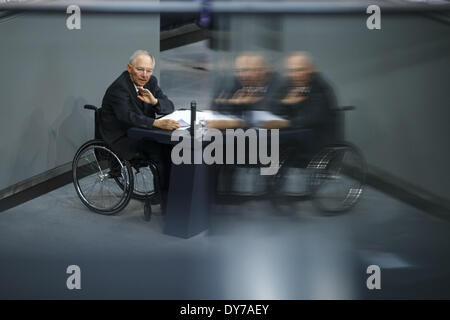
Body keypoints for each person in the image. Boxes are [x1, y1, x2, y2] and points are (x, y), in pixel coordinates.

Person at [100, 50, 179, 204]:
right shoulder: (119, 88)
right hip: (121, 136)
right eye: (140, 69)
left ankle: (169, 194)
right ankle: (163, 199)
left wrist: (155, 101)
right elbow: (127, 116)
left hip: (141, 131)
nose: (144, 75)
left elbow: (169, 107)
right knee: (159, 152)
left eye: (148, 71)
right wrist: (155, 123)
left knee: (172, 148)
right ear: (129, 68)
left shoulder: (151, 82)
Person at [273, 51, 337, 164]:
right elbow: (275, 107)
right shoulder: (288, 84)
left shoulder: (320, 87)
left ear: (311, 69)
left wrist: (287, 123)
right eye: (291, 71)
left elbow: (315, 117)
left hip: (316, 135)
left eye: (299, 70)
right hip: (294, 134)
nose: (295, 74)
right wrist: (285, 103)